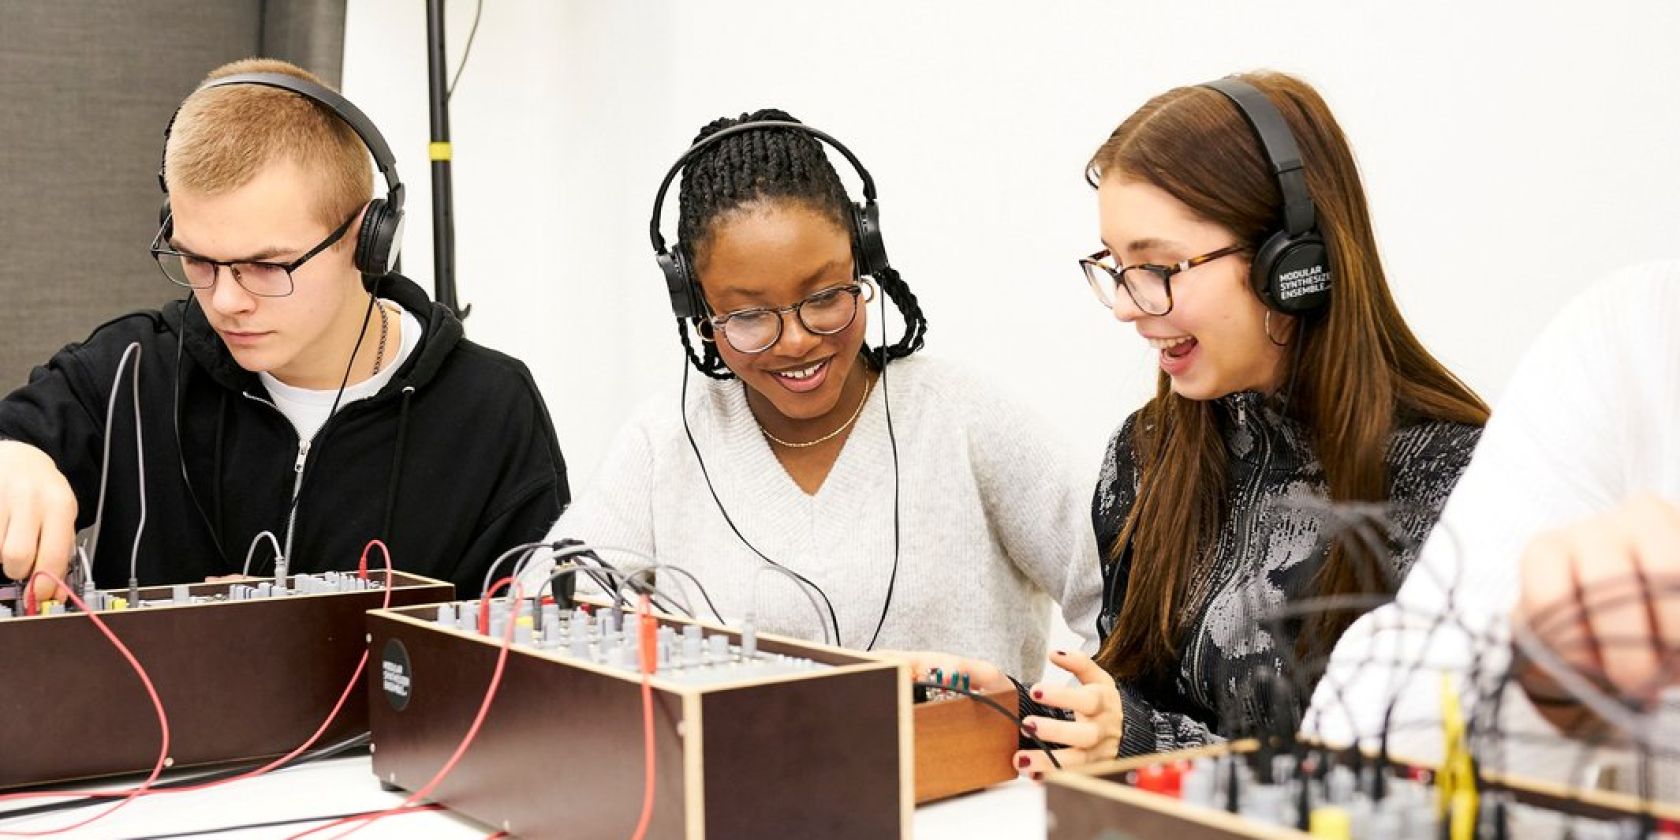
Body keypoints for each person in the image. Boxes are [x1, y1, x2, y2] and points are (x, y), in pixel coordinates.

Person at [919, 71, 1488, 772]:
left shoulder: (1456, 479)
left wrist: (1140, 744)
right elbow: (1135, 702)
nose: (1128, 305)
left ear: (1293, 262)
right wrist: (1029, 711)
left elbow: (1403, 784)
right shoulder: (1145, 453)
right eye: (1116, 266)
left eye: (1158, 266)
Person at [530, 110, 1101, 681]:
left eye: (826, 296)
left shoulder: (965, 419)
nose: (799, 341)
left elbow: (1136, 606)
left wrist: (1072, 724)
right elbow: (545, 612)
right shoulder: (666, 440)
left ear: (865, 259)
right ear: (696, 305)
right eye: (750, 316)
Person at [0, 58, 567, 602]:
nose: (224, 301)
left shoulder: (491, 410)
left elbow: (523, 667)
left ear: (367, 241)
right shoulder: (126, 370)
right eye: (197, 260)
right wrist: (11, 458)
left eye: (267, 266)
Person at [1310, 260, 1680, 764]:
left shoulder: (1427, 457)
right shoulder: (1633, 332)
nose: (1158, 309)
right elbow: (1354, 743)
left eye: (1169, 267)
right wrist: (1535, 673)